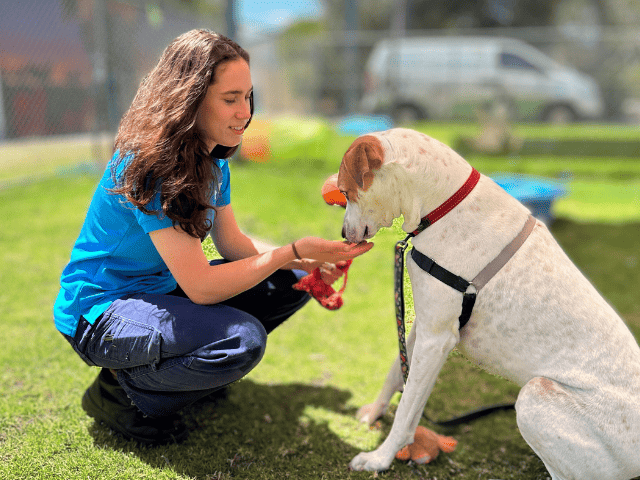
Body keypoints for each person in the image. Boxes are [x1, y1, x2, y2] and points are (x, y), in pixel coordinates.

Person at [53, 29, 372, 445]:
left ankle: (181, 378)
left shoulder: (213, 162)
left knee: (291, 282)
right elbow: (201, 288)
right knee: (241, 341)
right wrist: (287, 252)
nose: (246, 112)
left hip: (159, 296)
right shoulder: (151, 165)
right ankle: (118, 395)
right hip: (99, 312)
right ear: (189, 98)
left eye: (248, 97)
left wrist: (302, 262)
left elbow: (233, 244)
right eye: (230, 99)